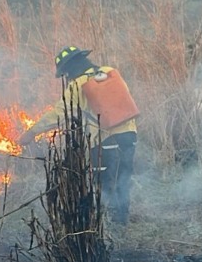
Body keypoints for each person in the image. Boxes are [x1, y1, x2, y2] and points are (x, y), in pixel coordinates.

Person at [19, 46, 139, 224]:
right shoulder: (110, 72)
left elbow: (59, 113)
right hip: (129, 135)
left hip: (105, 140)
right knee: (123, 178)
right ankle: (122, 220)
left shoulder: (78, 84)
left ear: (69, 69)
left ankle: (112, 225)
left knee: (105, 183)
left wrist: (31, 132)